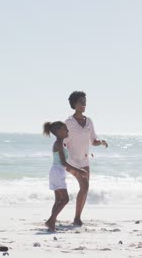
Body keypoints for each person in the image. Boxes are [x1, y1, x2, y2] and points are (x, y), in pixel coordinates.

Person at [64, 91, 108, 226]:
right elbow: (62, 142)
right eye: (80, 102)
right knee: (84, 186)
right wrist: (61, 160)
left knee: (85, 188)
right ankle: (76, 218)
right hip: (72, 161)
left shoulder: (89, 121)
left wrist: (100, 142)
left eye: (85, 102)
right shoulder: (68, 122)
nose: (84, 104)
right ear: (74, 104)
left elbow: (93, 140)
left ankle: (77, 217)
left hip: (84, 160)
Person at [43, 121, 88, 232]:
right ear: (58, 132)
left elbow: (63, 163)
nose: (68, 131)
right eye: (65, 129)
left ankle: (52, 223)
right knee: (65, 199)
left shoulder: (60, 143)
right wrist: (79, 171)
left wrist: (74, 171)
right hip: (57, 172)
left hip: (56, 172)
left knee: (58, 199)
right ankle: (50, 221)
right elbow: (63, 163)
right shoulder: (58, 144)